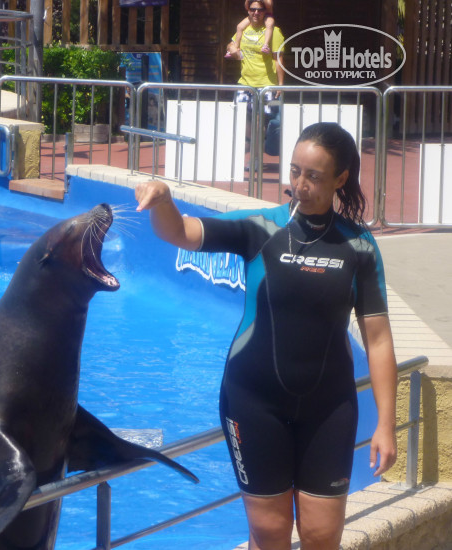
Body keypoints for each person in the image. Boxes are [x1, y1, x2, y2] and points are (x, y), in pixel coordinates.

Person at [134, 122, 398, 549]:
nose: (299, 184)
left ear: (341, 179)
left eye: (313, 176)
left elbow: (379, 340)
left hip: (328, 407)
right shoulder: (261, 228)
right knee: (270, 532)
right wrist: (164, 201)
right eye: (295, 171)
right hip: (253, 401)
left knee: (321, 534)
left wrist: (386, 423)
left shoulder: (360, 248)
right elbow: (178, 231)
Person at [225, 0, 285, 156]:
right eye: (253, 9)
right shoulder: (243, 28)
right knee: (241, 118)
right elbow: (231, 45)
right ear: (248, 10)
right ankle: (249, 147)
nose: (256, 12)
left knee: (262, 122)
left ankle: (257, 157)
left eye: (260, 10)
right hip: (245, 83)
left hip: (266, 84)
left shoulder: (274, 31)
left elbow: (278, 59)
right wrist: (233, 50)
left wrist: (280, 84)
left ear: (265, 12)